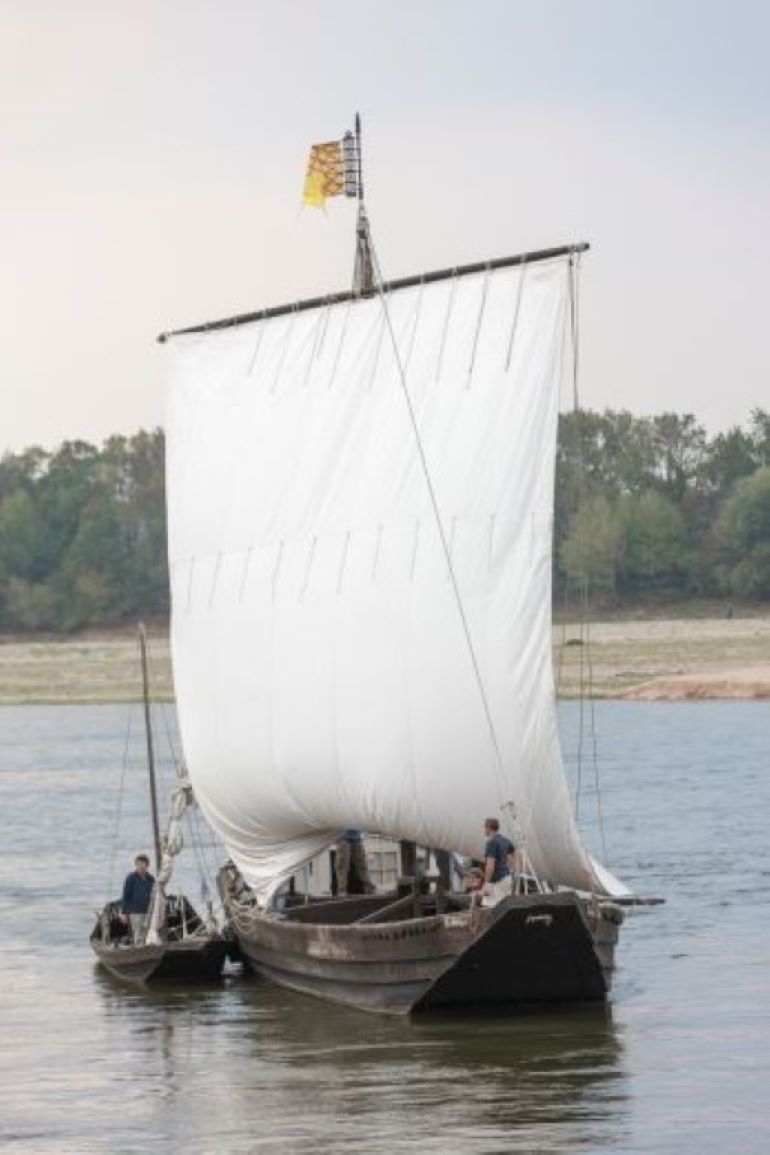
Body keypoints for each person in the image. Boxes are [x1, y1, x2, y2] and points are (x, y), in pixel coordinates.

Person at [119, 854, 156, 944]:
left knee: (148, 932)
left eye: (142, 865)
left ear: (147, 866)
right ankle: (139, 950)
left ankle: (148, 949)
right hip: (135, 911)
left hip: (149, 911)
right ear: (135, 865)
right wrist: (124, 912)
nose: (140, 867)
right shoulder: (131, 878)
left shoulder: (151, 879)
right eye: (138, 864)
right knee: (138, 932)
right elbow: (125, 895)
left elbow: (155, 894)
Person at [480, 818, 515, 907]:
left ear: (488, 828)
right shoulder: (505, 840)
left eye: (485, 827)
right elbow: (511, 858)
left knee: (488, 906)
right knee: (505, 907)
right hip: (507, 878)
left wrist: (486, 883)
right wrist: (508, 870)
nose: (484, 830)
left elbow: (490, 866)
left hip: (496, 881)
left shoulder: (491, 843)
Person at [335, 829, 375, 896]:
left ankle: (368, 887)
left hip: (356, 836)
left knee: (361, 863)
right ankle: (342, 889)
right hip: (343, 835)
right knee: (342, 863)